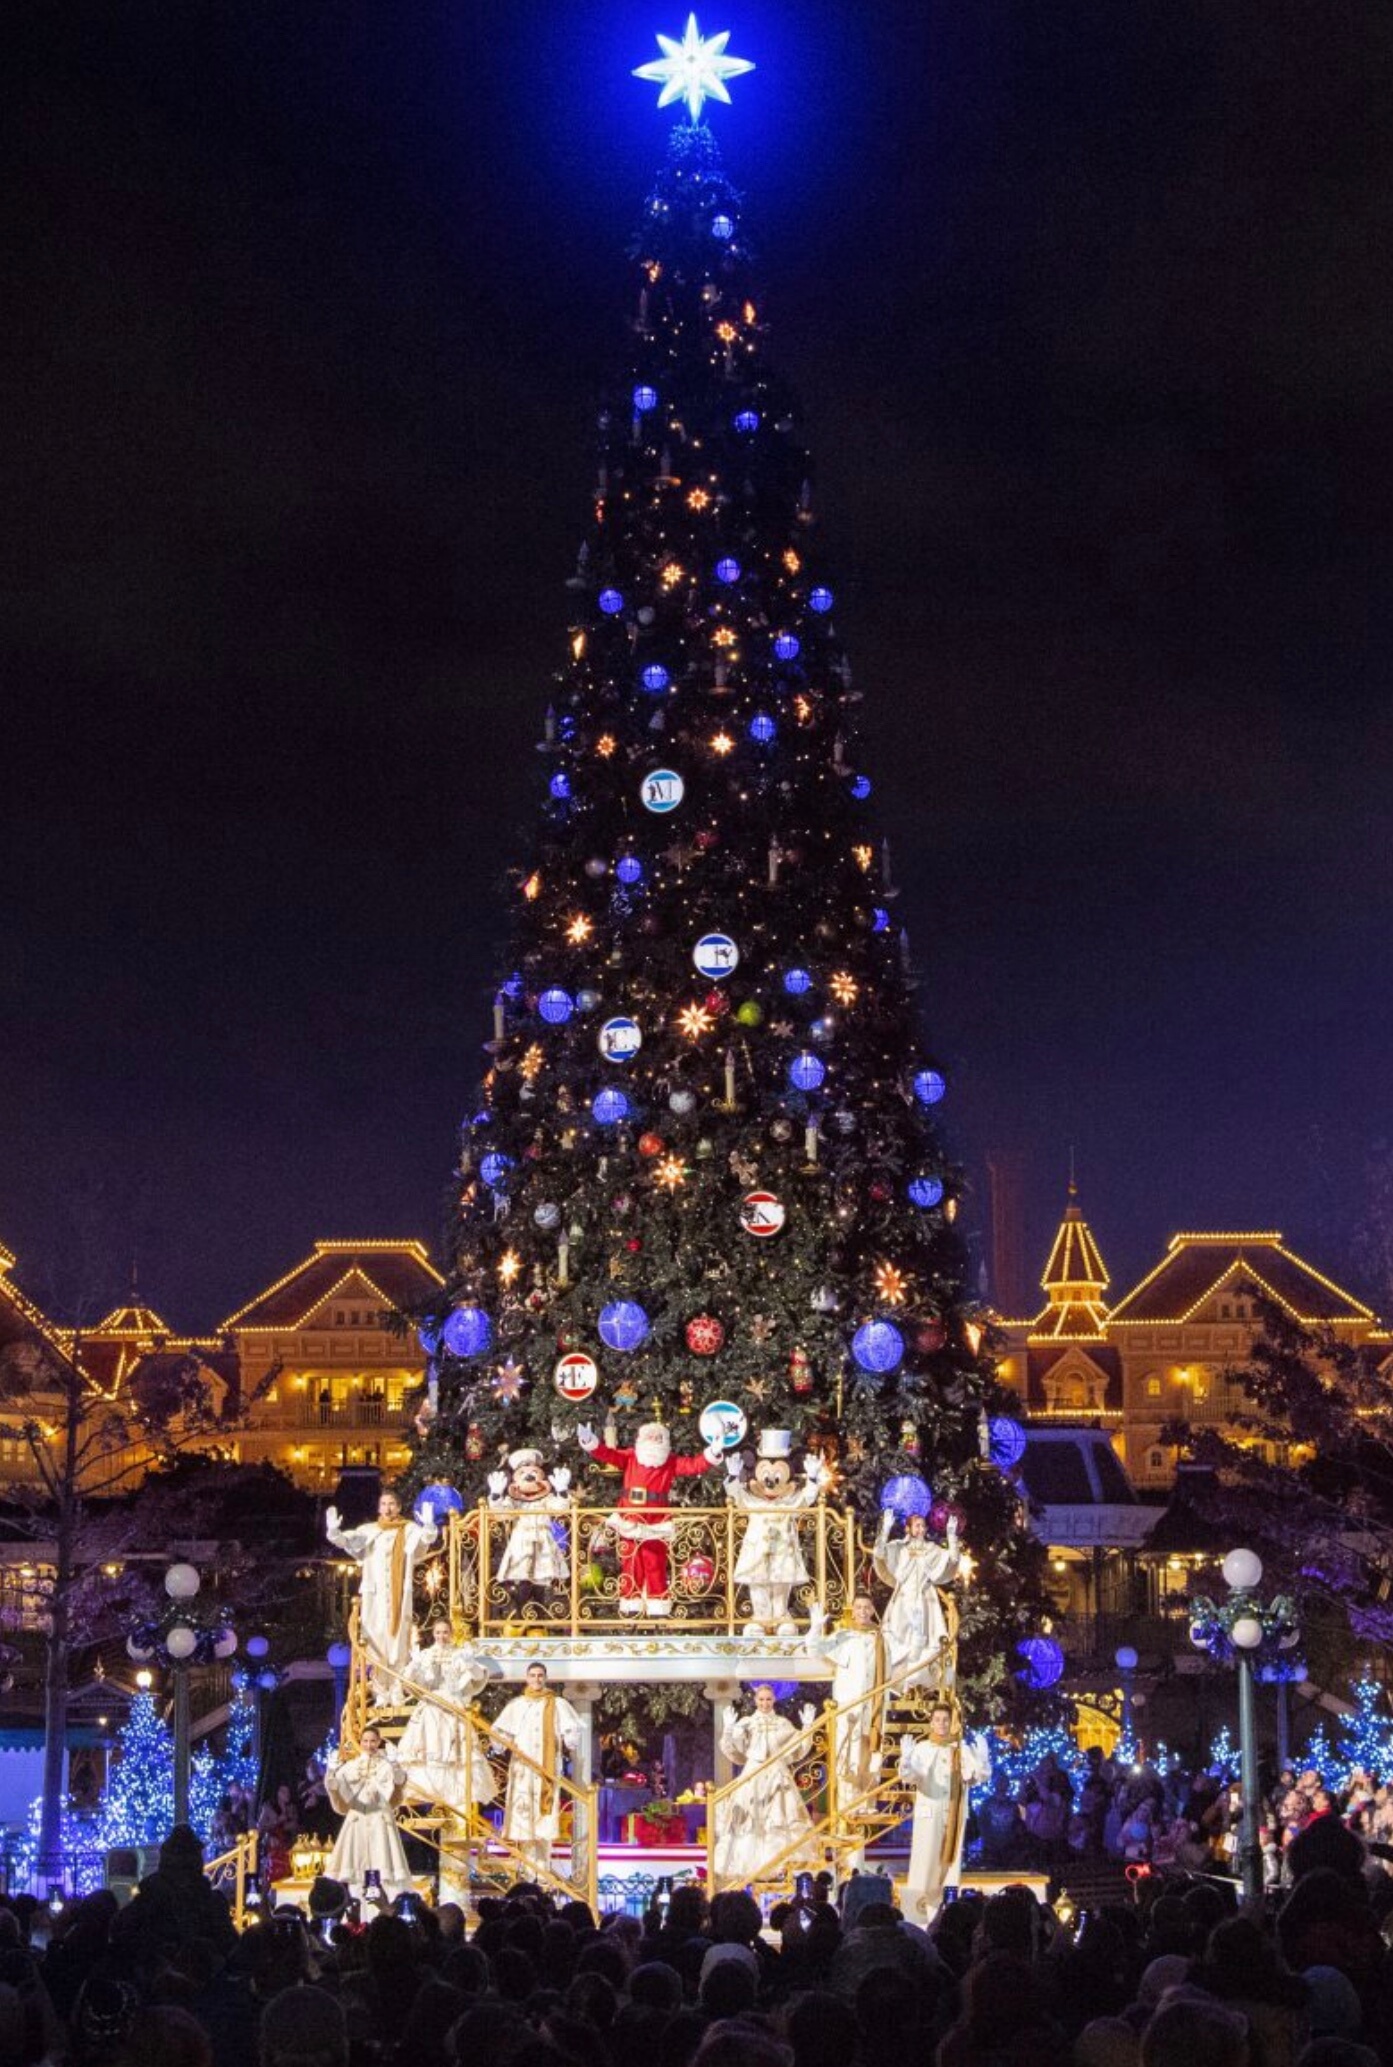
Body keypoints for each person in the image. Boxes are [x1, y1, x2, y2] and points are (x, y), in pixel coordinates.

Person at [577, 1418, 723, 1616]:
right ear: (641, 1440)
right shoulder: (630, 1457)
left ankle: (657, 1606)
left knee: (655, 1564)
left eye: (658, 1437)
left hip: (656, 1521)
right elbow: (608, 1454)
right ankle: (631, 1604)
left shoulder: (670, 1462)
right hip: (630, 1518)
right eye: (649, 1437)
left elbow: (693, 1465)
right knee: (631, 1562)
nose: (653, 1441)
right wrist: (591, 1442)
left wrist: (713, 1452)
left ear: (665, 1442)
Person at [326, 1488, 437, 1700]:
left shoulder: (409, 1529)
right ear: (378, 1507)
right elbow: (348, 1542)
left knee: (399, 1636)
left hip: (399, 1595)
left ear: (399, 1507)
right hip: (374, 1594)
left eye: (392, 1504)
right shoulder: (368, 1530)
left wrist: (430, 1526)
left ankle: (396, 1686)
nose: (388, 1508)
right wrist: (334, 1532)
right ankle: (379, 1689)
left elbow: (424, 1541)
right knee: (375, 1636)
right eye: (384, 1504)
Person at [725, 1430, 827, 1636]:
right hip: (757, 1552)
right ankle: (760, 1619)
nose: (771, 1482)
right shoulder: (752, 1501)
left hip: (782, 1552)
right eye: (766, 1476)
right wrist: (733, 1476)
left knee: (781, 1585)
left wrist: (813, 1478)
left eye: (777, 1476)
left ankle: (781, 1618)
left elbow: (806, 1499)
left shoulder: (790, 1502)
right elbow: (735, 1495)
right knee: (758, 1584)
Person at [715, 1683, 818, 1885]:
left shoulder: (782, 1723)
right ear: (755, 1700)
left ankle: (776, 1865)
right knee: (750, 1821)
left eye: (768, 1699)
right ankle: (752, 1868)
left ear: (774, 1700)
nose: (764, 1703)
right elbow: (734, 1753)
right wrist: (729, 1729)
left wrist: (808, 1727)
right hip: (753, 1774)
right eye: (761, 1699)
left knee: (779, 1818)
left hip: (777, 1775)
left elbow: (798, 1748)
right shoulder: (746, 1722)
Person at [806, 1593, 885, 1856]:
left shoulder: (881, 1639)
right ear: (853, 1611)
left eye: (867, 1607)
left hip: (873, 1709)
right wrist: (817, 1625)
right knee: (847, 1762)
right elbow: (814, 1648)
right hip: (848, 1708)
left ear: (873, 1610)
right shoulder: (844, 1636)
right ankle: (847, 1814)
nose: (863, 1611)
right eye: (859, 1607)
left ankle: (867, 1803)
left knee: (870, 1757)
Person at [899, 1699, 989, 1923]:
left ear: (951, 1723)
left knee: (949, 1863)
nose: (941, 1724)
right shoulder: (922, 1749)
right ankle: (919, 1912)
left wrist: (981, 1760)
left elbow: (974, 1777)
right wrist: (907, 1759)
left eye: (945, 1720)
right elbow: (910, 1776)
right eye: (937, 1720)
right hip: (929, 1813)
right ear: (931, 1723)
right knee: (926, 1859)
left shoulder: (959, 1748)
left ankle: (945, 1910)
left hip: (954, 1813)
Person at [490, 1660, 583, 1873]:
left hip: (546, 1769)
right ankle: (527, 1869)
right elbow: (499, 1734)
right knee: (524, 1818)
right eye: (532, 1675)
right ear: (526, 1678)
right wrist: (500, 1742)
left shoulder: (557, 1704)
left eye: (540, 1675)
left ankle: (543, 1870)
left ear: (546, 1678)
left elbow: (571, 1733)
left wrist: (570, 1739)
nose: (536, 1679)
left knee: (544, 1819)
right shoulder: (517, 1704)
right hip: (523, 1768)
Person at [397, 1616, 497, 1813]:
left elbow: (478, 1678)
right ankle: (429, 1790)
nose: (441, 1636)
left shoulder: (459, 1654)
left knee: (456, 1751)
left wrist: (470, 1664)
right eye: (438, 1632)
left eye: (445, 1632)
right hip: (431, 1706)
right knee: (431, 1748)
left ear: (451, 1633)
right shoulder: (425, 1655)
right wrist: (414, 1665)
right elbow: (408, 1682)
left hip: (453, 1705)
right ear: (433, 1634)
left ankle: (454, 1793)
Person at [873, 1507, 963, 1690]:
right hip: (903, 1600)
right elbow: (879, 1554)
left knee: (927, 1638)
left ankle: (924, 1679)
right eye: (917, 1526)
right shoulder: (899, 1547)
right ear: (908, 1529)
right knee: (899, 1637)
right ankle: (898, 1680)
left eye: (923, 1526)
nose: (921, 1529)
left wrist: (951, 1537)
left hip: (925, 1601)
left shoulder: (931, 1549)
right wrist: (885, 1530)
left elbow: (952, 1561)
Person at [325, 1725, 412, 1899]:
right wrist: (331, 1771)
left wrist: (395, 1765)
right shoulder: (351, 1766)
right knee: (356, 1869)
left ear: (379, 1742)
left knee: (384, 1865)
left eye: (373, 1741)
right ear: (360, 1742)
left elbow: (398, 1789)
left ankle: (384, 1909)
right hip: (357, 1820)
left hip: (380, 1821)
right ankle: (358, 1908)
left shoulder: (386, 1766)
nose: (369, 1744)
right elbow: (336, 1789)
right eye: (365, 1741)